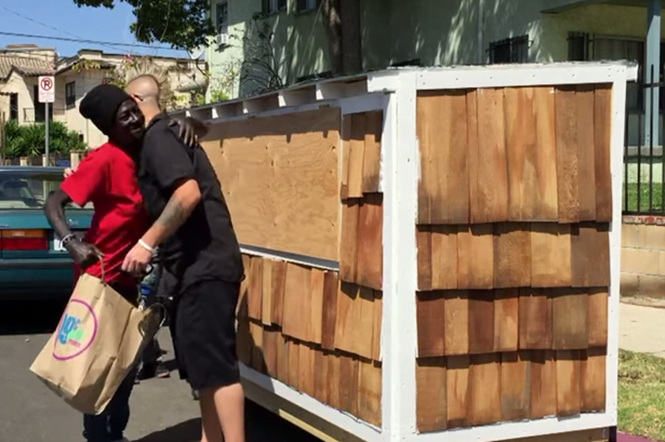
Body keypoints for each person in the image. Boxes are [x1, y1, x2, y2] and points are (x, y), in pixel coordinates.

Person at [44, 83, 198, 442]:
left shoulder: (148, 150)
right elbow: (53, 203)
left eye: (132, 110)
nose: (132, 119)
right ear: (108, 129)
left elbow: (195, 130)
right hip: (99, 278)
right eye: (122, 117)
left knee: (127, 365)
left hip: (133, 278)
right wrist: (72, 243)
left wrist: (186, 122)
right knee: (98, 366)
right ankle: (99, 435)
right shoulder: (104, 160)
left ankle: (115, 433)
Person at [121, 74, 246, 442]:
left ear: (133, 100)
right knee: (204, 371)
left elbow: (187, 194)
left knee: (219, 371)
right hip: (195, 270)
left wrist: (146, 243)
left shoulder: (161, 135)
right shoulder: (167, 132)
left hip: (207, 266)